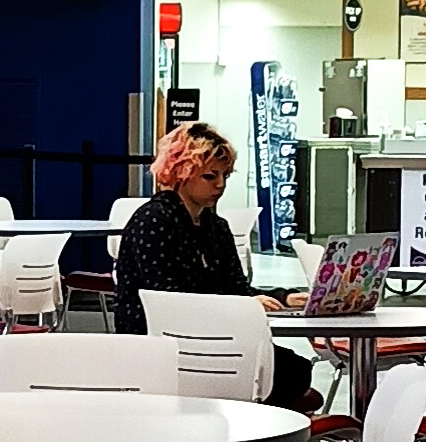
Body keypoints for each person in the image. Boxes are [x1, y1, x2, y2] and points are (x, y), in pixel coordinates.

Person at [112, 122, 314, 411]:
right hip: (159, 346)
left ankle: (225, 427)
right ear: (181, 172)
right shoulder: (153, 221)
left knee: (294, 369)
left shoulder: (215, 226)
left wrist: (283, 296)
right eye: (210, 176)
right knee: (285, 372)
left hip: (207, 335)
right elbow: (168, 302)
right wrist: (238, 304)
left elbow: (237, 288)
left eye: (224, 175)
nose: (220, 184)